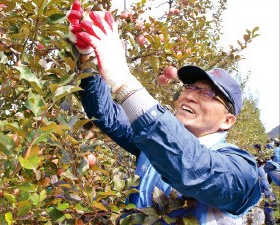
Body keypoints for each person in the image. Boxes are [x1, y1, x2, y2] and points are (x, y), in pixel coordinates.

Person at [67, 2, 261, 224]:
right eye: (189, 87)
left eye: (207, 94)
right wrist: (88, 56)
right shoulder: (153, 143)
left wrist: (125, 83)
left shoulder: (241, 170)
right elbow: (105, 113)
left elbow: (196, 170)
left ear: (227, 120)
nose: (190, 95)